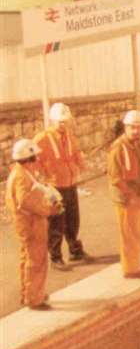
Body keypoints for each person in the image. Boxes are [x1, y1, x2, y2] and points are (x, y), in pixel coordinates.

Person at [7, 138, 62, 310]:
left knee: (28, 259)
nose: (37, 160)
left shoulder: (20, 173)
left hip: (26, 224)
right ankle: (35, 298)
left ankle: (29, 294)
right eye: (34, 157)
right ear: (28, 159)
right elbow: (25, 201)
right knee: (36, 261)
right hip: (32, 224)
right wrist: (48, 209)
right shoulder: (22, 177)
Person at [35, 102, 89, 268]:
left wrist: (82, 166)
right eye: (60, 121)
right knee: (56, 223)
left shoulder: (69, 136)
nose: (63, 123)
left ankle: (75, 250)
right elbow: (34, 163)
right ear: (52, 120)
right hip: (54, 187)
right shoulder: (42, 139)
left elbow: (76, 155)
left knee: (73, 220)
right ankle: (55, 257)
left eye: (65, 120)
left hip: (71, 184)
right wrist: (42, 183)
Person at [108, 109, 140, 279]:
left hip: (138, 197)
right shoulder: (119, 149)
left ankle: (135, 262)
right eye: (132, 127)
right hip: (128, 200)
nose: (136, 131)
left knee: (137, 232)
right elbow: (116, 178)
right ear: (125, 128)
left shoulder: (138, 146)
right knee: (129, 234)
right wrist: (132, 197)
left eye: (139, 127)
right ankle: (131, 269)